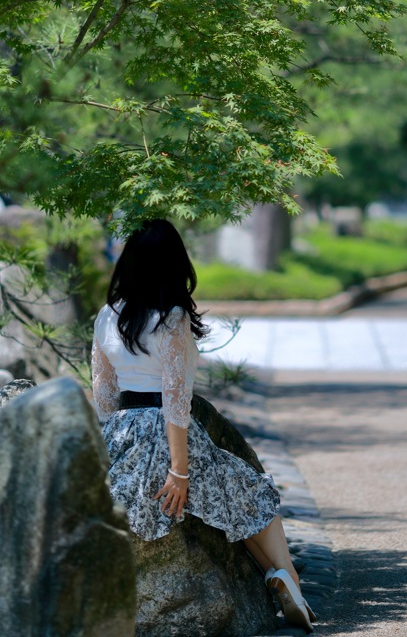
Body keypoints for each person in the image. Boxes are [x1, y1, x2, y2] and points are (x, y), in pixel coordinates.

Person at [91, 218, 315, 633]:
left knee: (230, 500)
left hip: (120, 433)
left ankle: (279, 580)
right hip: (167, 434)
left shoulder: (106, 316)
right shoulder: (172, 319)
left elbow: (103, 396)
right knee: (252, 492)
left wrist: (112, 452)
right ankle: (289, 579)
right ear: (176, 264)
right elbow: (176, 402)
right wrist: (179, 471)